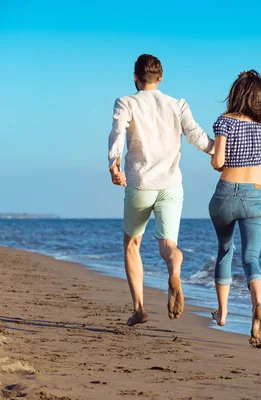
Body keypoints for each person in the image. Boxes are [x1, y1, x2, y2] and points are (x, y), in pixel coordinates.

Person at [108, 54, 214, 326]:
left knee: (132, 244)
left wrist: (114, 165)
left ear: (135, 77)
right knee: (169, 246)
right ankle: (175, 273)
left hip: (141, 184)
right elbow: (197, 136)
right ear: (161, 78)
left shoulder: (126, 102)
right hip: (170, 185)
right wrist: (218, 152)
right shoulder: (177, 105)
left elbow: (118, 133)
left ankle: (139, 309)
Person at [208, 70, 261, 348]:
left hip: (225, 194)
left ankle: (223, 313)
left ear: (236, 93)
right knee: (251, 258)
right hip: (254, 196)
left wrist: (212, 153)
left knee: (225, 250)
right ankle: (257, 305)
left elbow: (218, 162)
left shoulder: (224, 122)